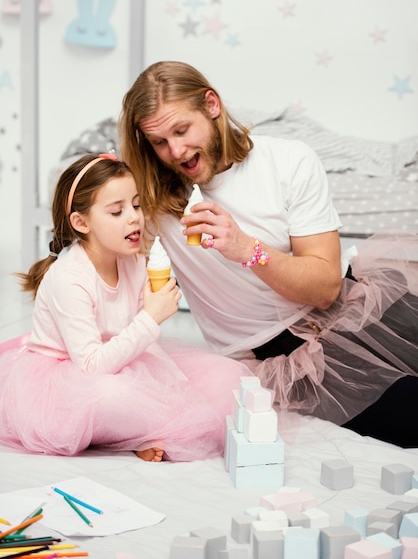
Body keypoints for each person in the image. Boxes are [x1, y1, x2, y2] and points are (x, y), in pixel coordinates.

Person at [119, 60, 418, 448]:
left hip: (349, 303)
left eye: (181, 130)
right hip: (280, 350)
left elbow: (327, 288)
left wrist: (246, 250)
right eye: (159, 142)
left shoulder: (289, 160)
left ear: (211, 105)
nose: (175, 151)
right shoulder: (149, 199)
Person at [0, 153, 252, 461]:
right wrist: (151, 317)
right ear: (81, 222)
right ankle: (128, 436)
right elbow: (92, 367)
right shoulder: (68, 278)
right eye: (117, 211)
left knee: (227, 379)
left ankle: (140, 427)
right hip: (75, 372)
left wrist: (180, 390)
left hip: (122, 357)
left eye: (135, 205)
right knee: (112, 396)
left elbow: (145, 345)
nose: (134, 217)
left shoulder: (132, 262)